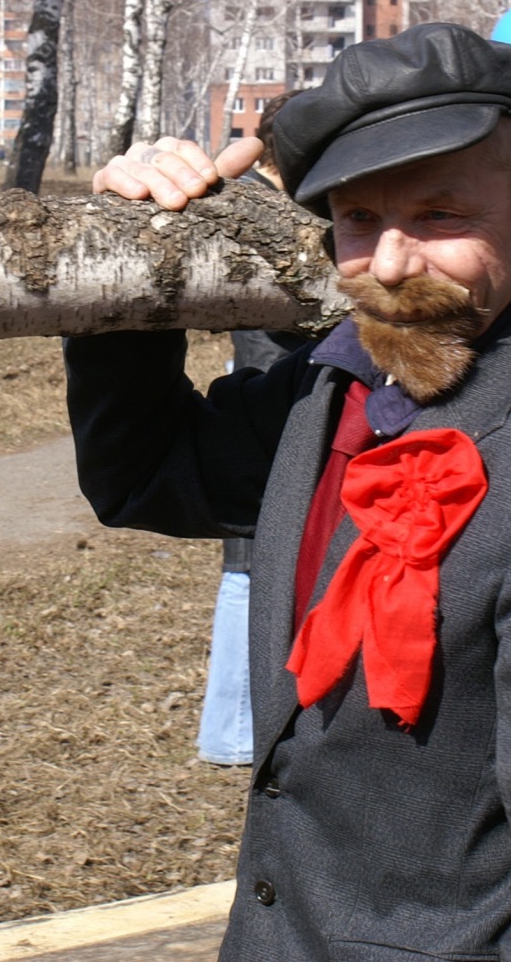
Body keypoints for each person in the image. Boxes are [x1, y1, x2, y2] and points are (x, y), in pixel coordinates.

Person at [66, 22, 511, 960]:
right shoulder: (339, 384)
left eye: (439, 215)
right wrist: (128, 242)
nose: (392, 264)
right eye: (359, 219)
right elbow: (145, 474)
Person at [200, 94, 305, 768]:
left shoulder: (278, 202)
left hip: (272, 388)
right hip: (266, 393)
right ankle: (233, 729)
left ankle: (245, 725)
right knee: (249, 563)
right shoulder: (254, 205)